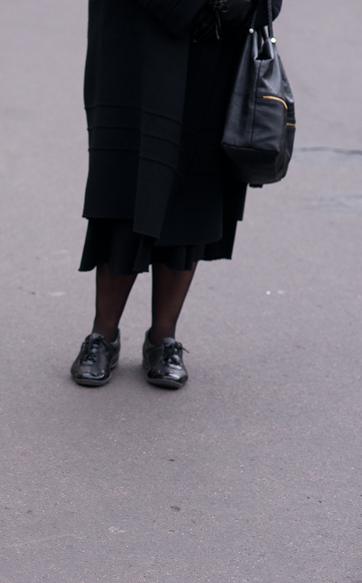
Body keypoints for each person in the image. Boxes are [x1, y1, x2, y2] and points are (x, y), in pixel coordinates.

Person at [70, 0, 282, 389]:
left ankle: (162, 338)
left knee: (195, 181)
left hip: (219, 36)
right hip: (136, 31)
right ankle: (103, 335)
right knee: (129, 178)